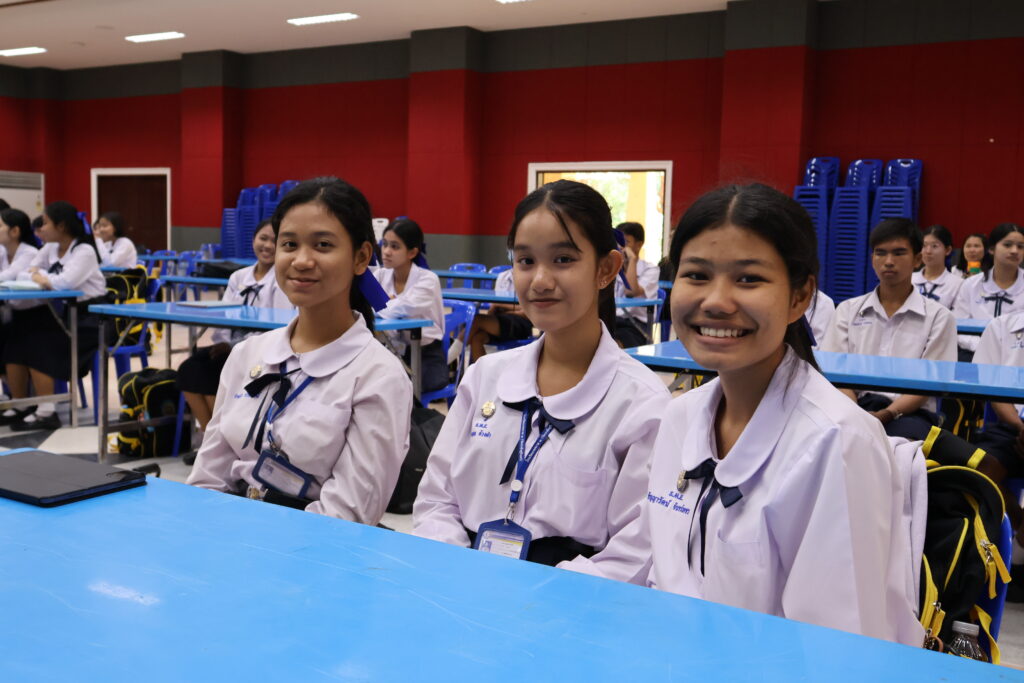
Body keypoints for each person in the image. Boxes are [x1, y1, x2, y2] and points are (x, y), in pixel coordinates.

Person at [568, 183, 920, 645]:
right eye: (697, 275)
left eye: (749, 279)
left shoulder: (836, 441)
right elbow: (647, 557)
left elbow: (835, 647)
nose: (716, 300)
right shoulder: (680, 416)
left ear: (800, 297)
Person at [413, 180, 670, 566]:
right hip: (463, 577)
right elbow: (436, 499)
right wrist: (463, 574)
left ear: (606, 269)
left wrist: (537, 593)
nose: (540, 281)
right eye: (525, 261)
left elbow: (633, 554)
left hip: (572, 594)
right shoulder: (484, 376)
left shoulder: (642, 404)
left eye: (563, 259)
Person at [187, 177, 412, 524]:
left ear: (361, 257)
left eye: (323, 245)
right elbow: (207, 478)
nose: (302, 260)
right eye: (289, 244)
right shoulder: (247, 354)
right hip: (227, 535)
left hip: (311, 547)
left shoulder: (378, 375)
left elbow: (348, 514)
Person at [823, 219, 957, 439]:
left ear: (917, 259)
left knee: (897, 445)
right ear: (872, 259)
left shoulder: (939, 318)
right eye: (880, 253)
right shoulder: (848, 310)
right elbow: (834, 373)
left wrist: (887, 414)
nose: (888, 261)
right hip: (853, 405)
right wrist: (856, 413)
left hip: (910, 413)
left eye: (898, 253)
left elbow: (929, 385)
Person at [176, 219, 292, 436]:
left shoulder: (283, 280)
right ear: (253, 240)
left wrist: (233, 347)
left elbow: (278, 328)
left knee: (212, 375)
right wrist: (224, 344)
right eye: (263, 238)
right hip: (231, 348)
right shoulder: (238, 277)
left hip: (262, 353)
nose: (267, 245)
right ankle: (209, 436)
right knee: (188, 369)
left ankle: (225, 437)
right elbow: (224, 317)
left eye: (275, 241)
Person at [2, 201, 107, 431]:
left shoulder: (84, 251)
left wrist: (42, 277)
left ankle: (47, 412)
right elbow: (24, 274)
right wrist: (41, 278)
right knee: (15, 340)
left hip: (90, 320)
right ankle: (21, 405)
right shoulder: (49, 248)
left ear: (62, 226)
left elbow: (65, 283)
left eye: (46, 222)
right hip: (63, 315)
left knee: (40, 340)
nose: (41, 228)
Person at [374, 218, 447, 392]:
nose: (386, 251)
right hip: (392, 351)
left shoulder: (428, 280)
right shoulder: (380, 275)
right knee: (370, 384)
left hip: (426, 356)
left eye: (395, 246)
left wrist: (384, 303)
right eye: (384, 244)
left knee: (398, 388)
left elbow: (403, 308)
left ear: (412, 252)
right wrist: (388, 303)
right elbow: (364, 304)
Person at [954, 223, 1024, 360]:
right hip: (973, 352)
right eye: (1007, 245)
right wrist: (986, 347)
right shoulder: (971, 284)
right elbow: (958, 327)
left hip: (1018, 354)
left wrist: (1008, 349)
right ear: (992, 249)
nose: (1015, 251)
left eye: (1020, 246)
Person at [466, 267, 533, 362]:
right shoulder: (503, 277)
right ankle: (481, 371)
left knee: (477, 320)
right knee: (477, 338)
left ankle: (451, 355)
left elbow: (528, 311)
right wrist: (494, 309)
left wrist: (502, 306)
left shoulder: (531, 277)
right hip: (501, 320)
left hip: (521, 324)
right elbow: (494, 304)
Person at [613, 221, 660, 348]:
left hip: (636, 325)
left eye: (626, 242)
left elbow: (631, 291)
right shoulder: (612, 267)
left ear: (639, 245)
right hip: (612, 320)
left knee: (613, 345)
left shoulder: (650, 269)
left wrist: (632, 260)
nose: (620, 246)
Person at [912, 224, 962, 310]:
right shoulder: (909, 279)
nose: (928, 251)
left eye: (934, 246)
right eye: (924, 246)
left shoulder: (958, 284)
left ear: (947, 250)